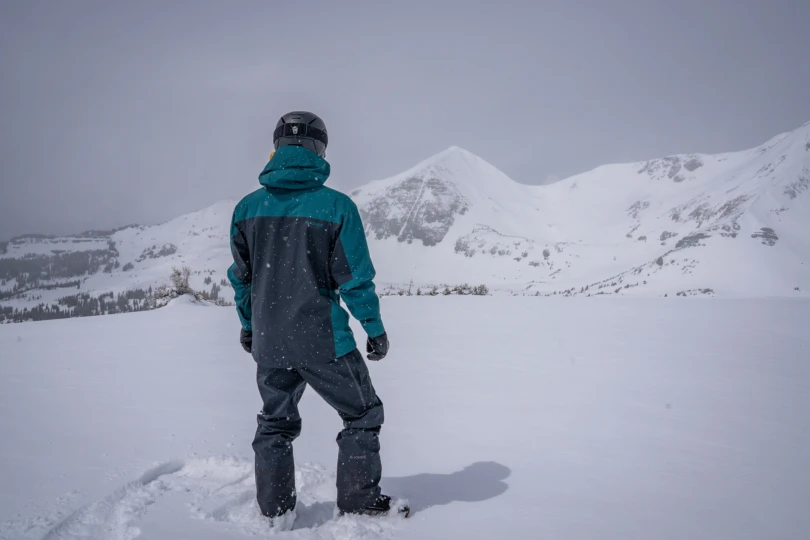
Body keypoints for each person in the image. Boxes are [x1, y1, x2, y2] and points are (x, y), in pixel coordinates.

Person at [227, 111, 406, 524]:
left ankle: (275, 511)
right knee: (362, 414)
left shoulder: (247, 209)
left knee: (275, 423)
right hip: (324, 340)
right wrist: (374, 329)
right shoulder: (336, 207)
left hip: (271, 341)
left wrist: (249, 326)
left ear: (277, 148)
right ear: (320, 149)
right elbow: (355, 279)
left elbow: (243, 280)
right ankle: (358, 499)